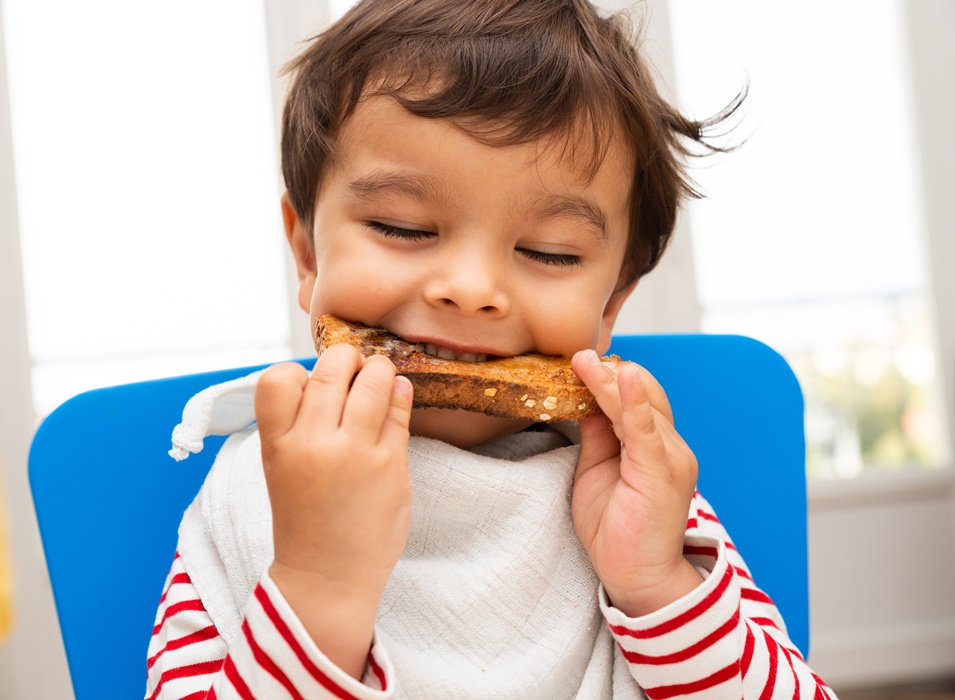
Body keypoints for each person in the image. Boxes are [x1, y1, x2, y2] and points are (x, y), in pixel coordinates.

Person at [145, 0, 838, 698]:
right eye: (402, 227)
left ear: (611, 306)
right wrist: (319, 586)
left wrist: (656, 586)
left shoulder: (643, 501)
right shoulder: (254, 494)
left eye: (549, 252)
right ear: (306, 254)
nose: (471, 289)